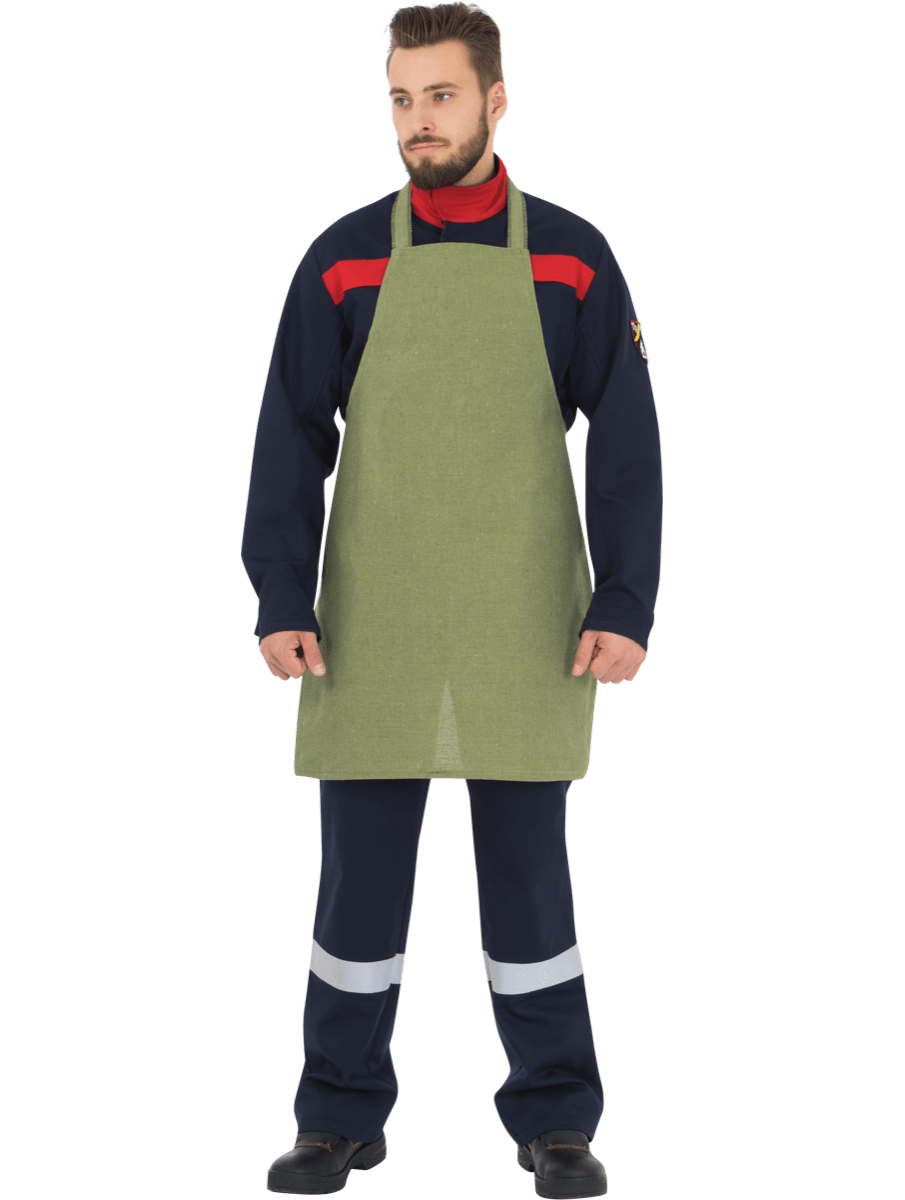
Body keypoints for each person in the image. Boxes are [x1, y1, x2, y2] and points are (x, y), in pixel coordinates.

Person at [241, 4, 662, 1195]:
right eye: (400, 98)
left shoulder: (572, 257)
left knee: (529, 885)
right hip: (366, 625)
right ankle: (336, 1115)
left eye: (439, 95)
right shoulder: (341, 258)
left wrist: (623, 600)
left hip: (526, 624)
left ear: (493, 100)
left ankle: (555, 1118)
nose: (416, 121)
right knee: (356, 892)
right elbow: (288, 433)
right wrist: (280, 593)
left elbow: (625, 436)